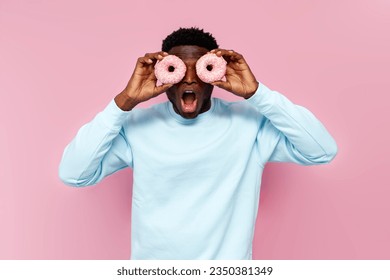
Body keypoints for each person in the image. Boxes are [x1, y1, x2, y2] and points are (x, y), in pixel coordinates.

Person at [59, 27, 337, 260]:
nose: (190, 78)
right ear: (163, 75)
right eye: (177, 70)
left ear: (214, 74)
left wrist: (257, 94)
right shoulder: (136, 127)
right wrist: (123, 104)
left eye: (200, 69)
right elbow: (74, 174)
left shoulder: (250, 124)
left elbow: (322, 151)